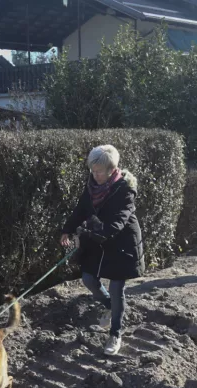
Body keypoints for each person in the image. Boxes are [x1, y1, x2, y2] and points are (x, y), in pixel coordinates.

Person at [60, 145, 144, 356]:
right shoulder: (92, 185)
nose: (94, 174)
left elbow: (119, 222)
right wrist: (67, 230)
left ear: (111, 170)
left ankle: (115, 333)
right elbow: (81, 209)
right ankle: (110, 307)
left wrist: (93, 234)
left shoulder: (124, 189)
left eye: (98, 171)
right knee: (89, 279)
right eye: (92, 170)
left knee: (117, 289)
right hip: (100, 239)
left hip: (122, 243)